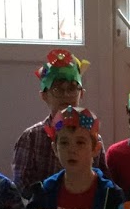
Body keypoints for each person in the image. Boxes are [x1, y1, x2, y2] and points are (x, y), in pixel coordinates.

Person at [13, 48, 106, 195]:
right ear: (44, 96)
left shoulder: (92, 136)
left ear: (81, 94)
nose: (66, 95)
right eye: (57, 89)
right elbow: (22, 185)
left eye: (72, 88)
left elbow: (102, 181)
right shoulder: (31, 138)